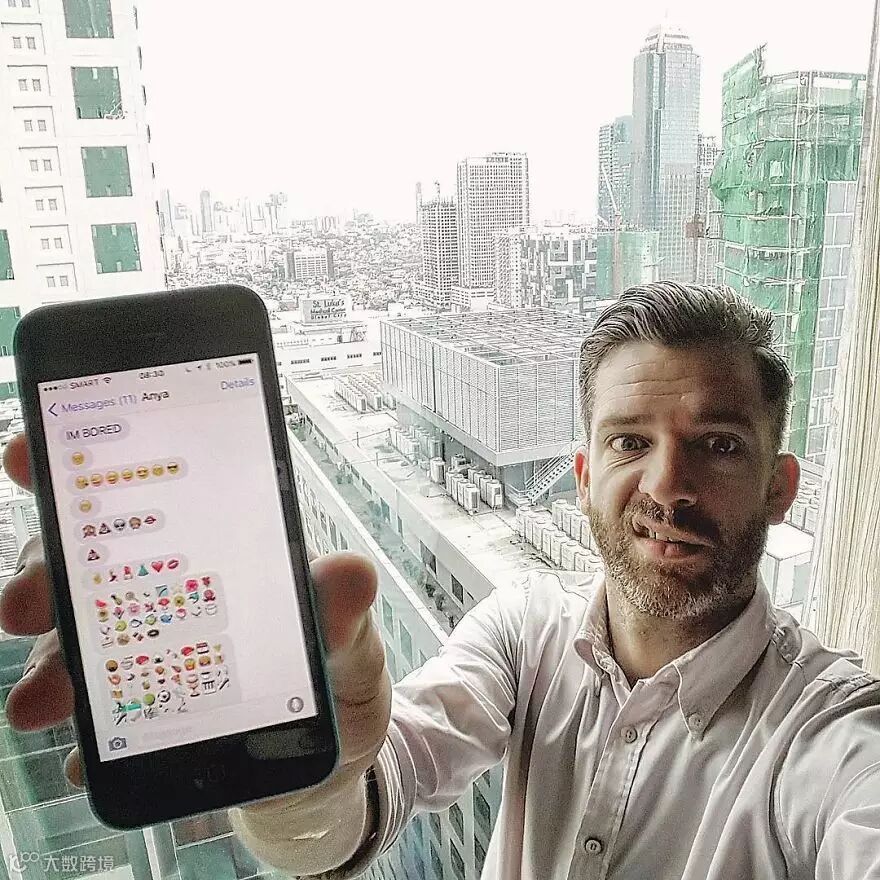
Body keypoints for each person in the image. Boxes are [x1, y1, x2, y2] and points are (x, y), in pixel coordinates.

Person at [2, 281, 879, 879]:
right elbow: (351, 816)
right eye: (629, 442)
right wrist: (312, 763)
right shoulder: (527, 631)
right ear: (582, 478)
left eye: (718, 444)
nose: (666, 485)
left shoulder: (829, 729)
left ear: (779, 487)